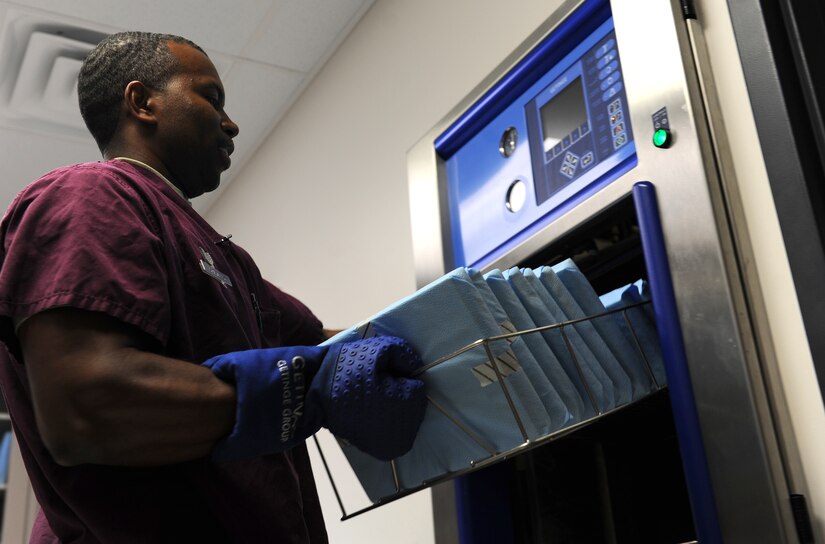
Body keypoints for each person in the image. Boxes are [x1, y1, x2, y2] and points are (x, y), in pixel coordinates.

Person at [0, 31, 426, 543]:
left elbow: (334, 349)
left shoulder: (226, 261)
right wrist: (306, 390)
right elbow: (88, 406)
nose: (231, 123)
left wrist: (446, 343)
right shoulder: (89, 197)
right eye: (211, 97)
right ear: (142, 102)